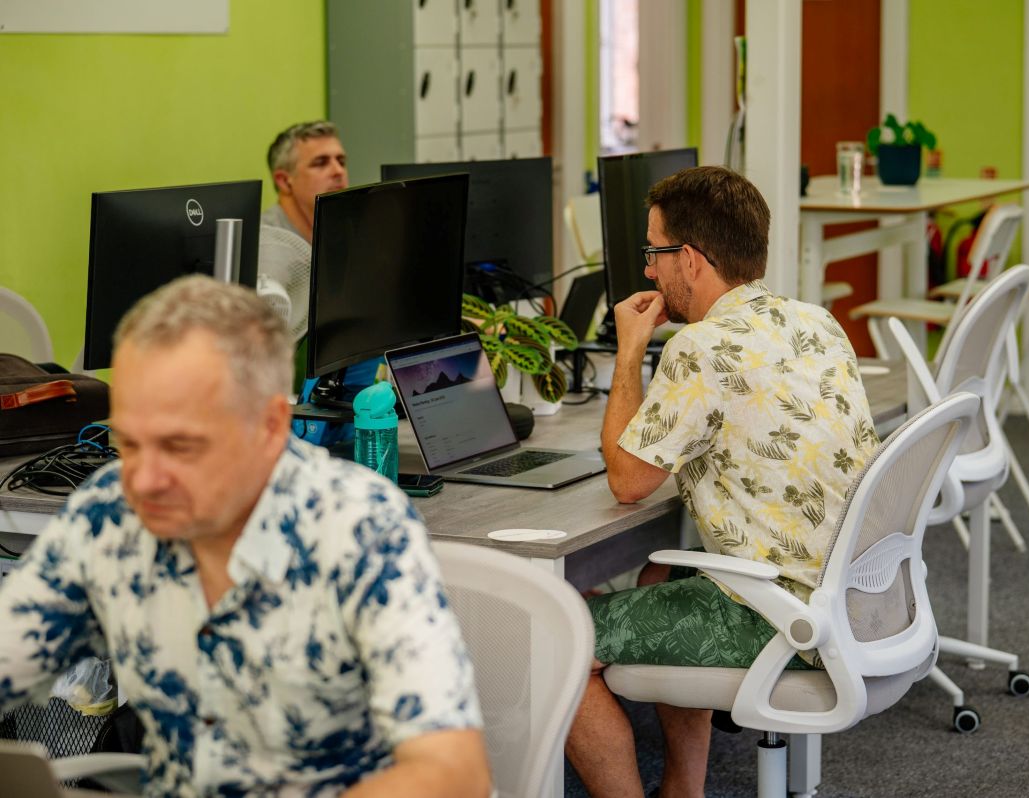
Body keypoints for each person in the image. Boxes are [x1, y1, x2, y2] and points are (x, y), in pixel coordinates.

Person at [0, 276, 491, 798]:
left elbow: (453, 773)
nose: (144, 480)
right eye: (130, 442)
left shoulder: (359, 530)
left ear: (270, 426)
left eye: (180, 446)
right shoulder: (110, 511)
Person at [566, 166, 879, 797]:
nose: (648, 270)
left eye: (654, 253)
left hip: (782, 617)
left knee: (557, 640)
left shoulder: (700, 348)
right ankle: (684, 789)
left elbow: (628, 481)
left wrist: (630, 350)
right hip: (857, 596)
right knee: (659, 576)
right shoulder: (817, 321)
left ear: (689, 258)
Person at [263, 119, 350, 244]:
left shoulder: (350, 229)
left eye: (341, 162)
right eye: (321, 163)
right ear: (284, 181)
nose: (338, 171)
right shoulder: (263, 242)